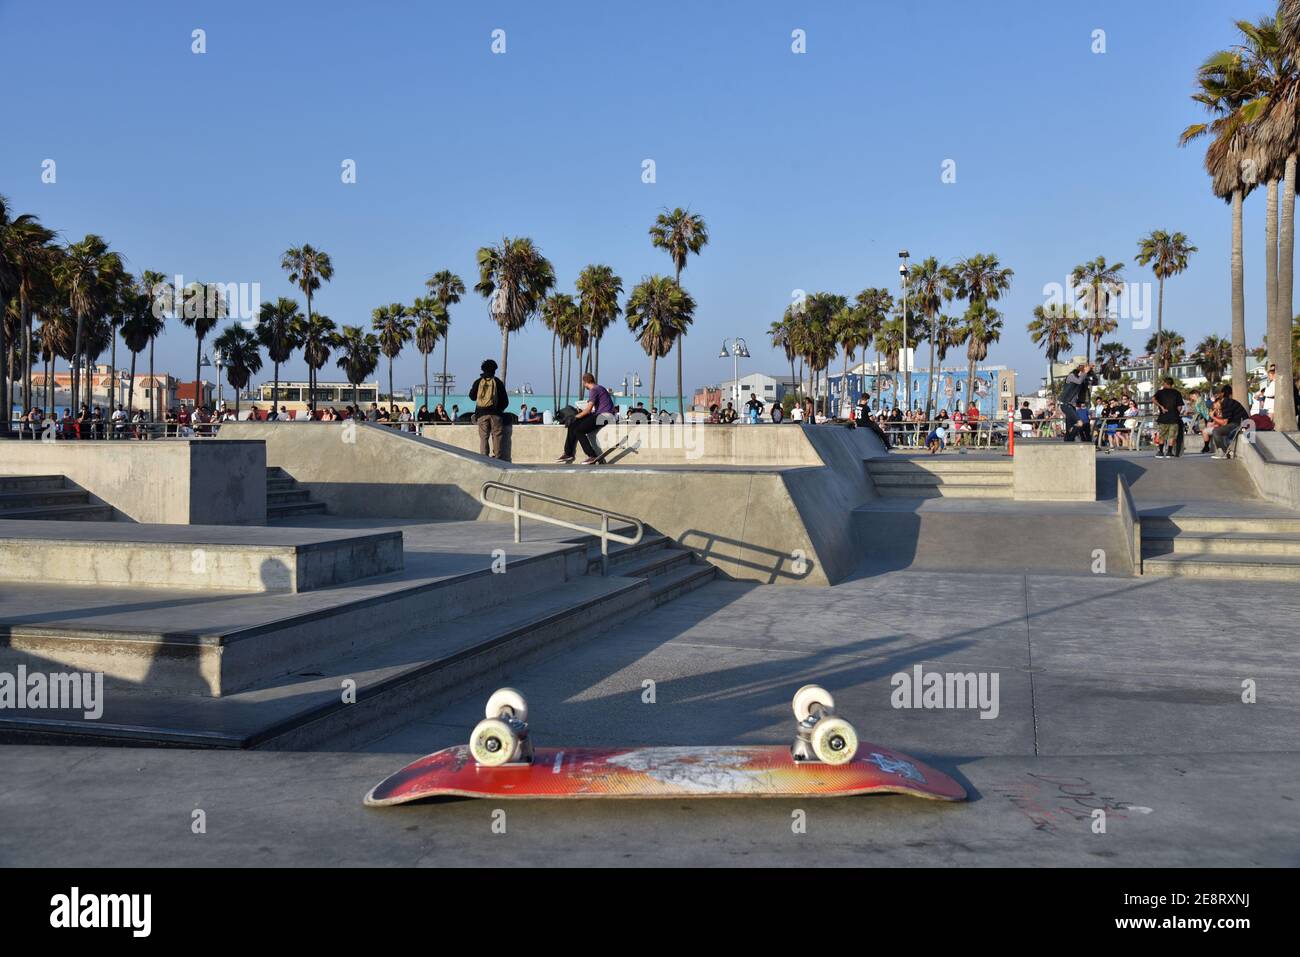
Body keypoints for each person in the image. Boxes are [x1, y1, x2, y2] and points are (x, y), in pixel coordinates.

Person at [558, 372, 614, 464]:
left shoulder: (594, 390)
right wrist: (576, 418)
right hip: (600, 415)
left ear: (585, 382)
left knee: (579, 430)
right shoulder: (600, 388)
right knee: (573, 424)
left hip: (605, 416)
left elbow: (588, 410)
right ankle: (568, 453)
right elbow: (592, 409)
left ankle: (592, 455)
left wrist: (574, 416)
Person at [469, 359, 508, 459]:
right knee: (497, 436)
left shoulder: (478, 382)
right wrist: (499, 410)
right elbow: (505, 401)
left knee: (483, 437)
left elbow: (472, 396)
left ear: (483, 369)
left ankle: (484, 458)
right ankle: (498, 458)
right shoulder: (498, 382)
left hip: (481, 414)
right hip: (496, 414)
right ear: (494, 370)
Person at [1058, 363, 1098, 442]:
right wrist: (1085, 371)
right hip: (1065, 404)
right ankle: (1069, 440)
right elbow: (1079, 381)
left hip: (1071, 406)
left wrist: (1092, 371)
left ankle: (1068, 441)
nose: (1084, 374)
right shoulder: (1071, 376)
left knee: (1070, 428)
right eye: (1082, 372)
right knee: (1080, 423)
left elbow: (1094, 382)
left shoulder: (1083, 379)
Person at [1209, 385, 1248, 459]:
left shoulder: (1227, 403)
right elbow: (1225, 419)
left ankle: (1223, 453)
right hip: (1236, 422)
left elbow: (1224, 423)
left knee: (1216, 431)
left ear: (1222, 394)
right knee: (1217, 429)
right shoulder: (1225, 403)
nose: (1215, 406)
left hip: (1240, 423)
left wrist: (1213, 417)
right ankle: (1226, 451)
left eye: (1215, 403)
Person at [1152, 377, 1184, 460]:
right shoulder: (1177, 392)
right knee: (1172, 436)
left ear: (1165, 383)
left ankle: (1161, 451)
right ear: (1172, 384)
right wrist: (1177, 413)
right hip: (1174, 417)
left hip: (1163, 417)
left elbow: (1153, 399)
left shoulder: (1160, 392)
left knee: (1162, 435)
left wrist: (1161, 406)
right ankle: (1169, 452)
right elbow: (1180, 406)